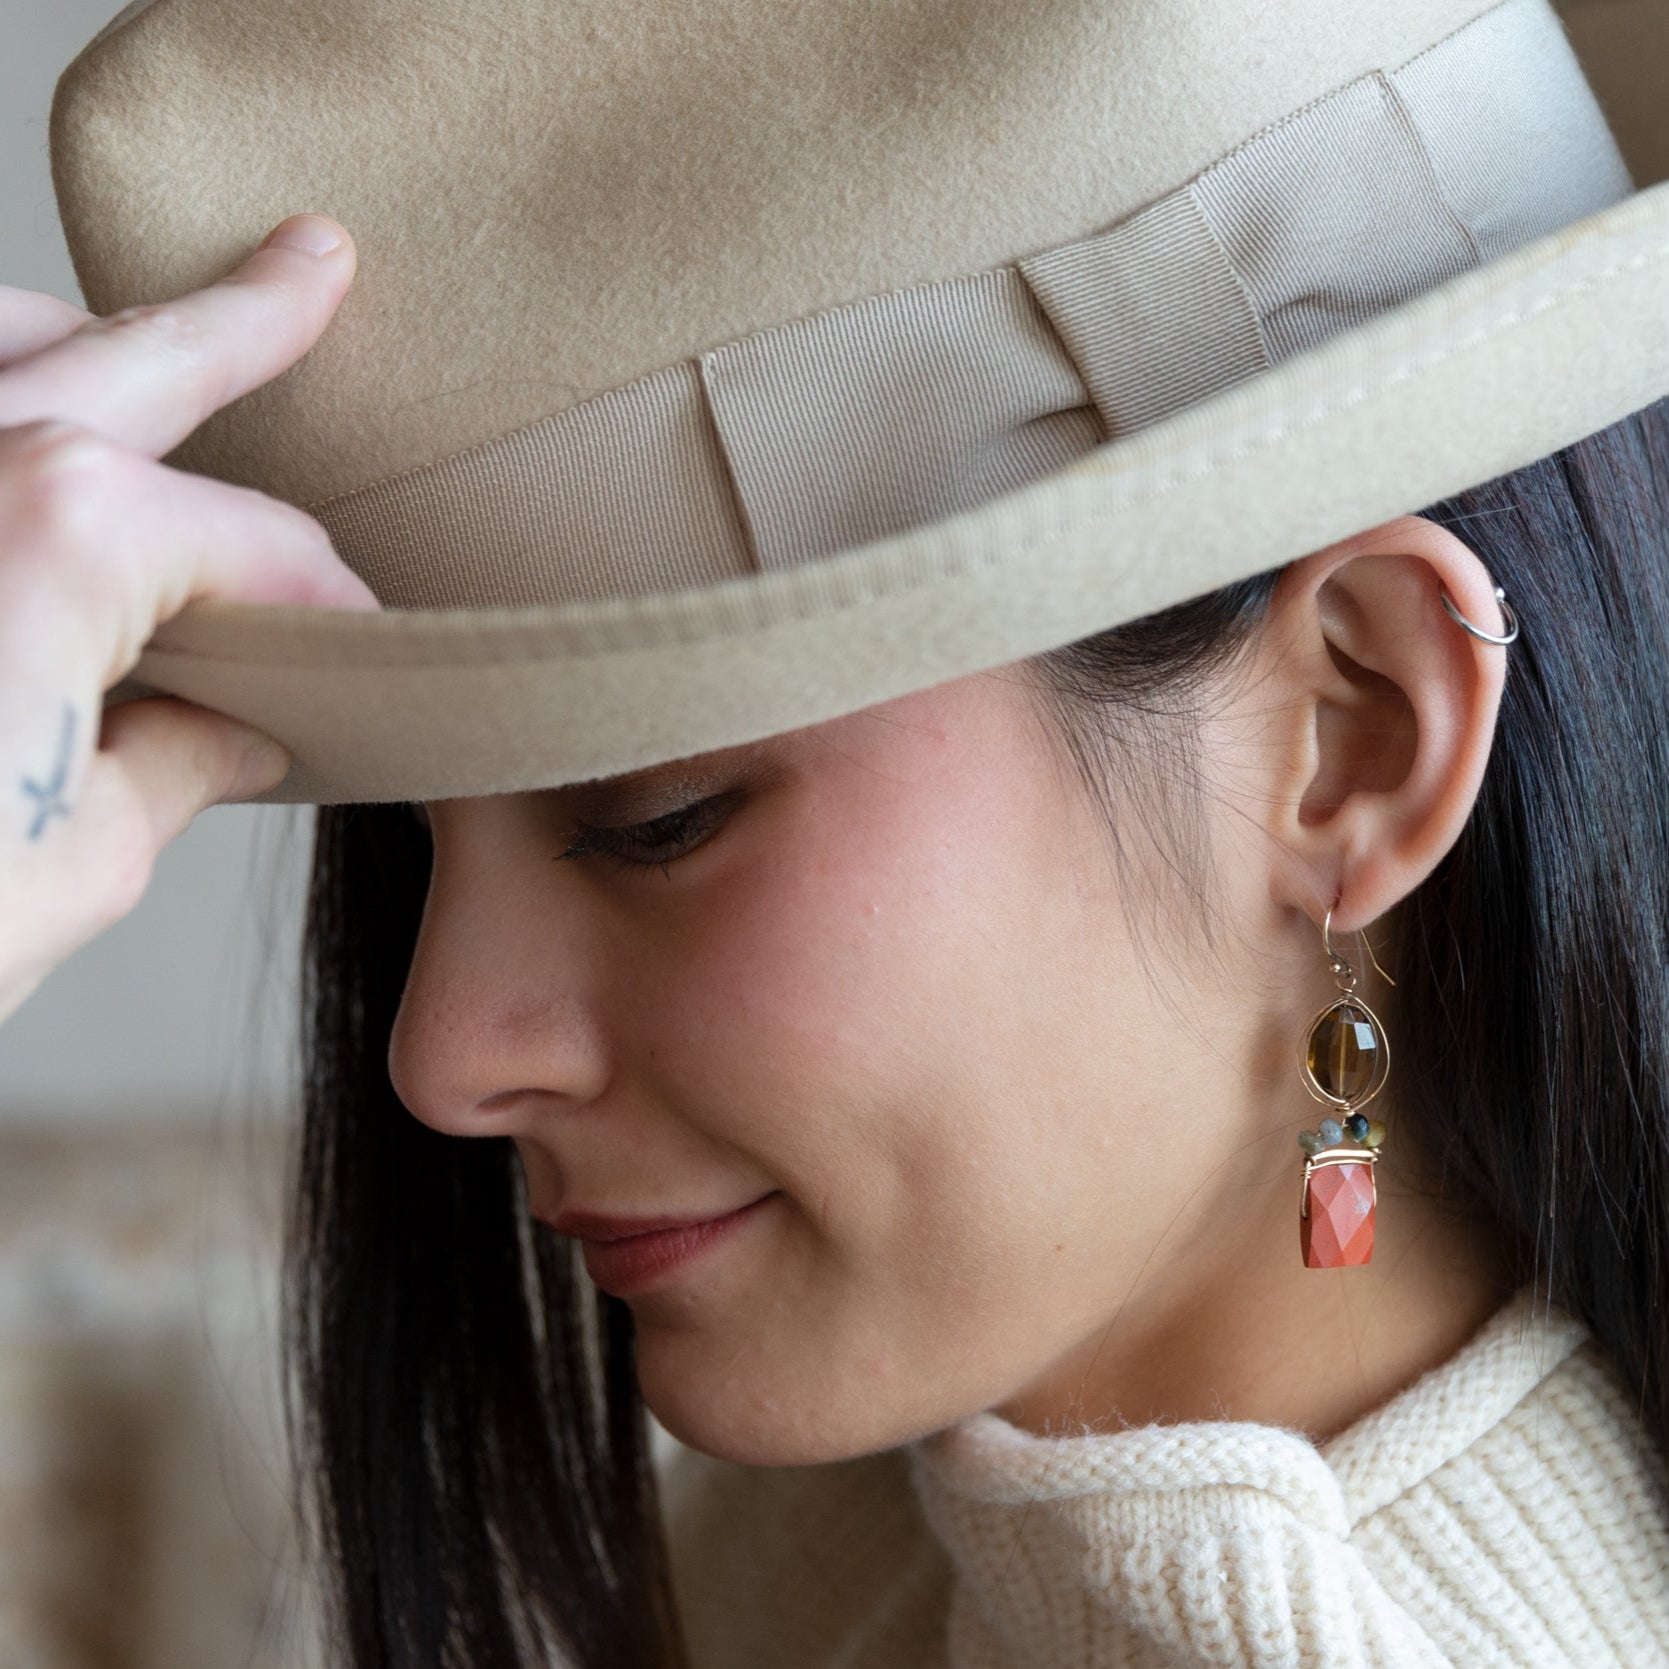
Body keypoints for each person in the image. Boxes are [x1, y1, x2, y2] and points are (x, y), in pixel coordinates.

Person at [11, 0, 1669, 1664]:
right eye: (414, 846)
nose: (440, 1056)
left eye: (653, 820)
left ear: (1352, 739)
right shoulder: (838, 1563)